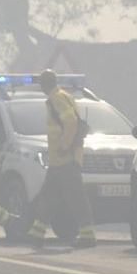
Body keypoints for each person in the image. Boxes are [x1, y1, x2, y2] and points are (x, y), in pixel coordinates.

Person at [26, 69, 96, 249]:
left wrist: (64, 146)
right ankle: (36, 234)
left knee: (75, 197)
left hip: (66, 158)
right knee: (48, 196)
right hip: (60, 160)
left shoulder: (57, 99)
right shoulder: (63, 96)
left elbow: (71, 122)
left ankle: (87, 236)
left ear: (43, 85)